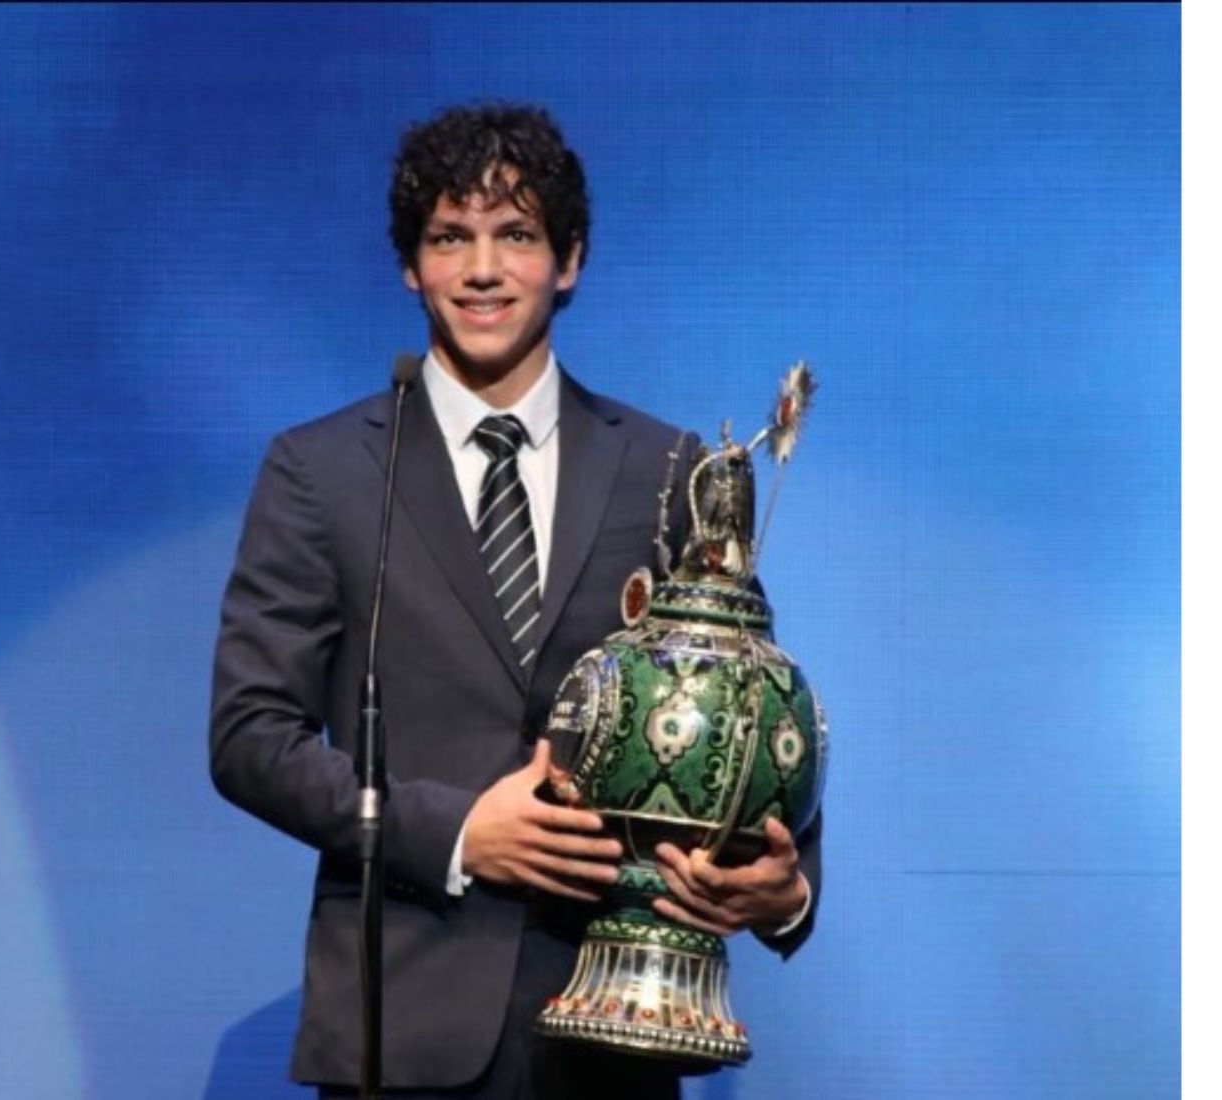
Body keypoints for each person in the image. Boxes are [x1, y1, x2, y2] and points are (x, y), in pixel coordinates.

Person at [210, 102, 820, 1099]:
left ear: (568, 258)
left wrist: (785, 886)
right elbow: (248, 737)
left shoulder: (667, 468)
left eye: (517, 235)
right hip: (399, 1027)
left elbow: (749, 708)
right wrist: (455, 832)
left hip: (615, 1026)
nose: (482, 268)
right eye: (451, 237)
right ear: (412, 265)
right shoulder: (320, 472)